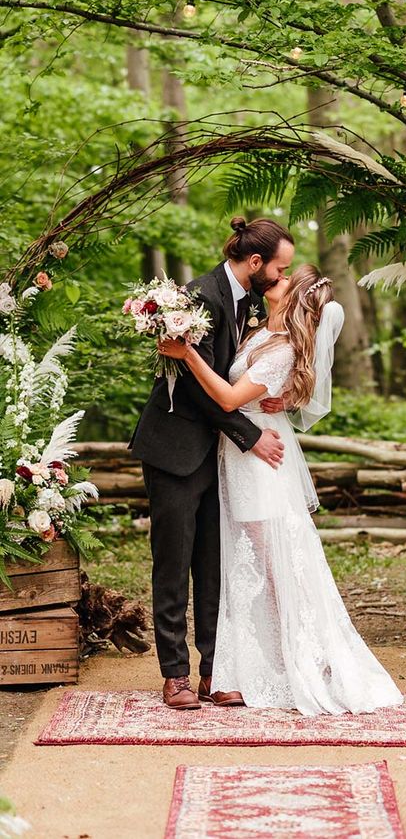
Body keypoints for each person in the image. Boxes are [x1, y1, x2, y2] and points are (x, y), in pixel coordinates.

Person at [159, 264, 404, 715]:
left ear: (296, 301)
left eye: (288, 279)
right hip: (238, 454)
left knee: (274, 568)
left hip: (258, 461)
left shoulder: (282, 348)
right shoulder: (261, 333)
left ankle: (309, 663)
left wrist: (187, 353)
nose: (279, 278)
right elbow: (258, 389)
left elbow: (231, 400)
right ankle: (253, 665)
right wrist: (286, 396)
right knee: (256, 566)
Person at [130, 216, 295, 709]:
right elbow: (202, 391)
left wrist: (278, 399)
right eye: (280, 268)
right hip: (177, 448)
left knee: (214, 564)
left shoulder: (248, 301)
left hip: (218, 456)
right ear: (255, 262)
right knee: (174, 562)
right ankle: (175, 674)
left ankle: (214, 670)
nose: (283, 276)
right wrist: (250, 438)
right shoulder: (203, 296)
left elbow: (244, 376)